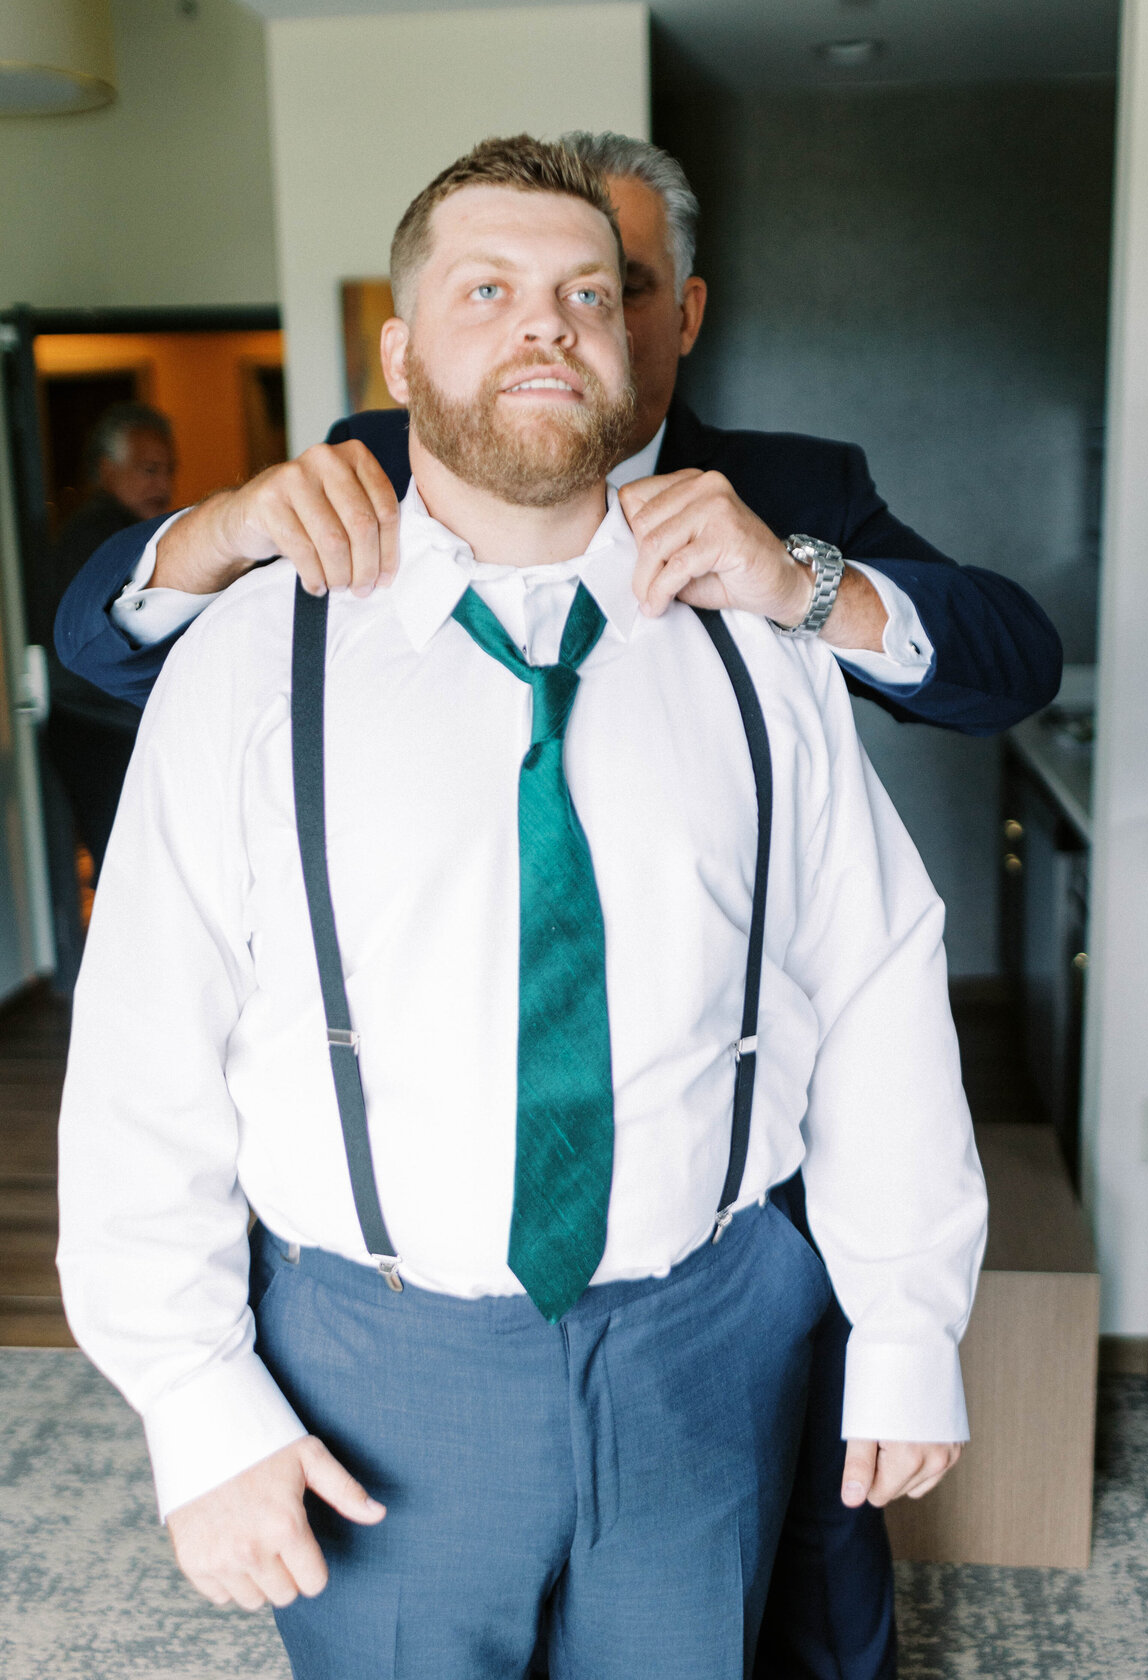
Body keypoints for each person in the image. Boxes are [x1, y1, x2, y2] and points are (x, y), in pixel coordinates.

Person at [51, 134, 1057, 1680]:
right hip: (376, 1355)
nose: (547, 325)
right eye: (490, 288)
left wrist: (908, 1319)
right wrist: (192, 1394)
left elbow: (875, 986)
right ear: (397, 350)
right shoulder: (266, 638)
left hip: (707, 1335)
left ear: (653, 332)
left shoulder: (764, 626)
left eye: (591, 292)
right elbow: (144, 1046)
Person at [44, 403, 175, 874]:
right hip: (98, 732)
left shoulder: (120, 531)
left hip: (101, 728)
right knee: (131, 868)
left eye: (167, 470)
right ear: (106, 470)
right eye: (148, 469)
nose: (162, 484)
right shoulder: (101, 539)